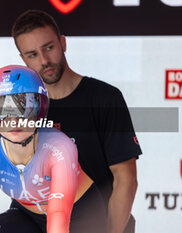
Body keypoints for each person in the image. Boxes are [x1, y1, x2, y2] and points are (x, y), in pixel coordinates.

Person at [11, 10, 142, 233]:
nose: (44, 61)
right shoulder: (23, 110)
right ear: (23, 59)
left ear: (63, 43)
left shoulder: (104, 98)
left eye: (49, 48)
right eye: (32, 54)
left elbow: (126, 179)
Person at [0, 65, 105, 233]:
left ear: (40, 110)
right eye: (3, 110)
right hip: (26, 214)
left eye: (24, 107)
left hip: (82, 214)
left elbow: (59, 213)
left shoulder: (59, 146)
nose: (13, 119)